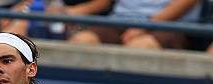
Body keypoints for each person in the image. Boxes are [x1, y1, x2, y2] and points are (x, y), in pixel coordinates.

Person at [69, 0, 201, 49]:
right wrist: (69, 13)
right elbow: (104, 2)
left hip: (168, 26)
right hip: (119, 20)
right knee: (82, 41)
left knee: (140, 47)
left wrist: (145, 27)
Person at [0, 0, 110, 38]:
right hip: (49, 17)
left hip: (88, 22)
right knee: (11, 33)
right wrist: (21, 9)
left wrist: (71, 12)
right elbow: (31, 3)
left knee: (84, 39)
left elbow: (104, 3)